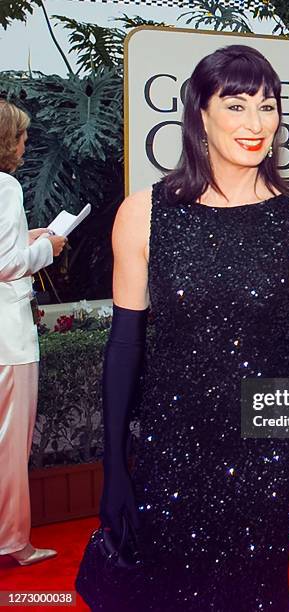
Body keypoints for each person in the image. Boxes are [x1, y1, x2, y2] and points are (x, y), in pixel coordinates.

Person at [76, 45, 289, 611]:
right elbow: (124, 347)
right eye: (237, 106)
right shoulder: (143, 213)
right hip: (170, 450)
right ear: (200, 113)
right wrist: (114, 466)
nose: (255, 124)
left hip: (267, 456)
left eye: (267, 107)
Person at [0, 99, 66, 565]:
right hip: (8, 339)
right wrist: (48, 248)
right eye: (21, 136)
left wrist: (29, 238)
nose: (26, 144)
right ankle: (13, 542)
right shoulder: (5, 187)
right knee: (9, 446)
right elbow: (6, 265)